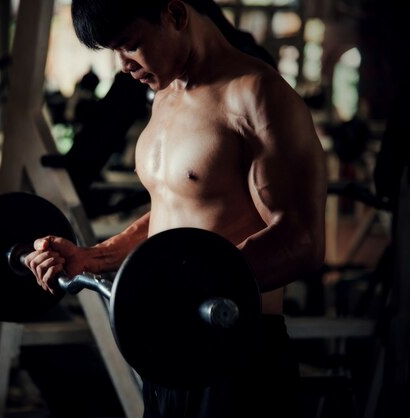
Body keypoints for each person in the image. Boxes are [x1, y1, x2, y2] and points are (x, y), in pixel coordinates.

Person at [25, 1, 327, 417]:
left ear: (176, 16)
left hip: (234, 350)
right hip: (171, 348)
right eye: (114, 51)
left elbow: (302, 240)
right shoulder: (164, 96)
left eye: (130, 45)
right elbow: (176, 214)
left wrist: (187, 292)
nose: (124, 64)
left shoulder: (257, 94)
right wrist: (92, 258)